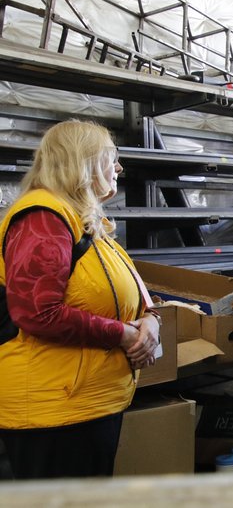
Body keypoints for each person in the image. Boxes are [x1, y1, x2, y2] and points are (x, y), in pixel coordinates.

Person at [0, 120, 160, 479]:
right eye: (111, 158)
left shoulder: (81, 219)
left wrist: (151, 318)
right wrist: (123, 334)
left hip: (85, 402)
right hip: (54, 410)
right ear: (84, 161)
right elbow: (38, 313)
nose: (119, 168)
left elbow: (126, 287)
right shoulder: (43, 218)